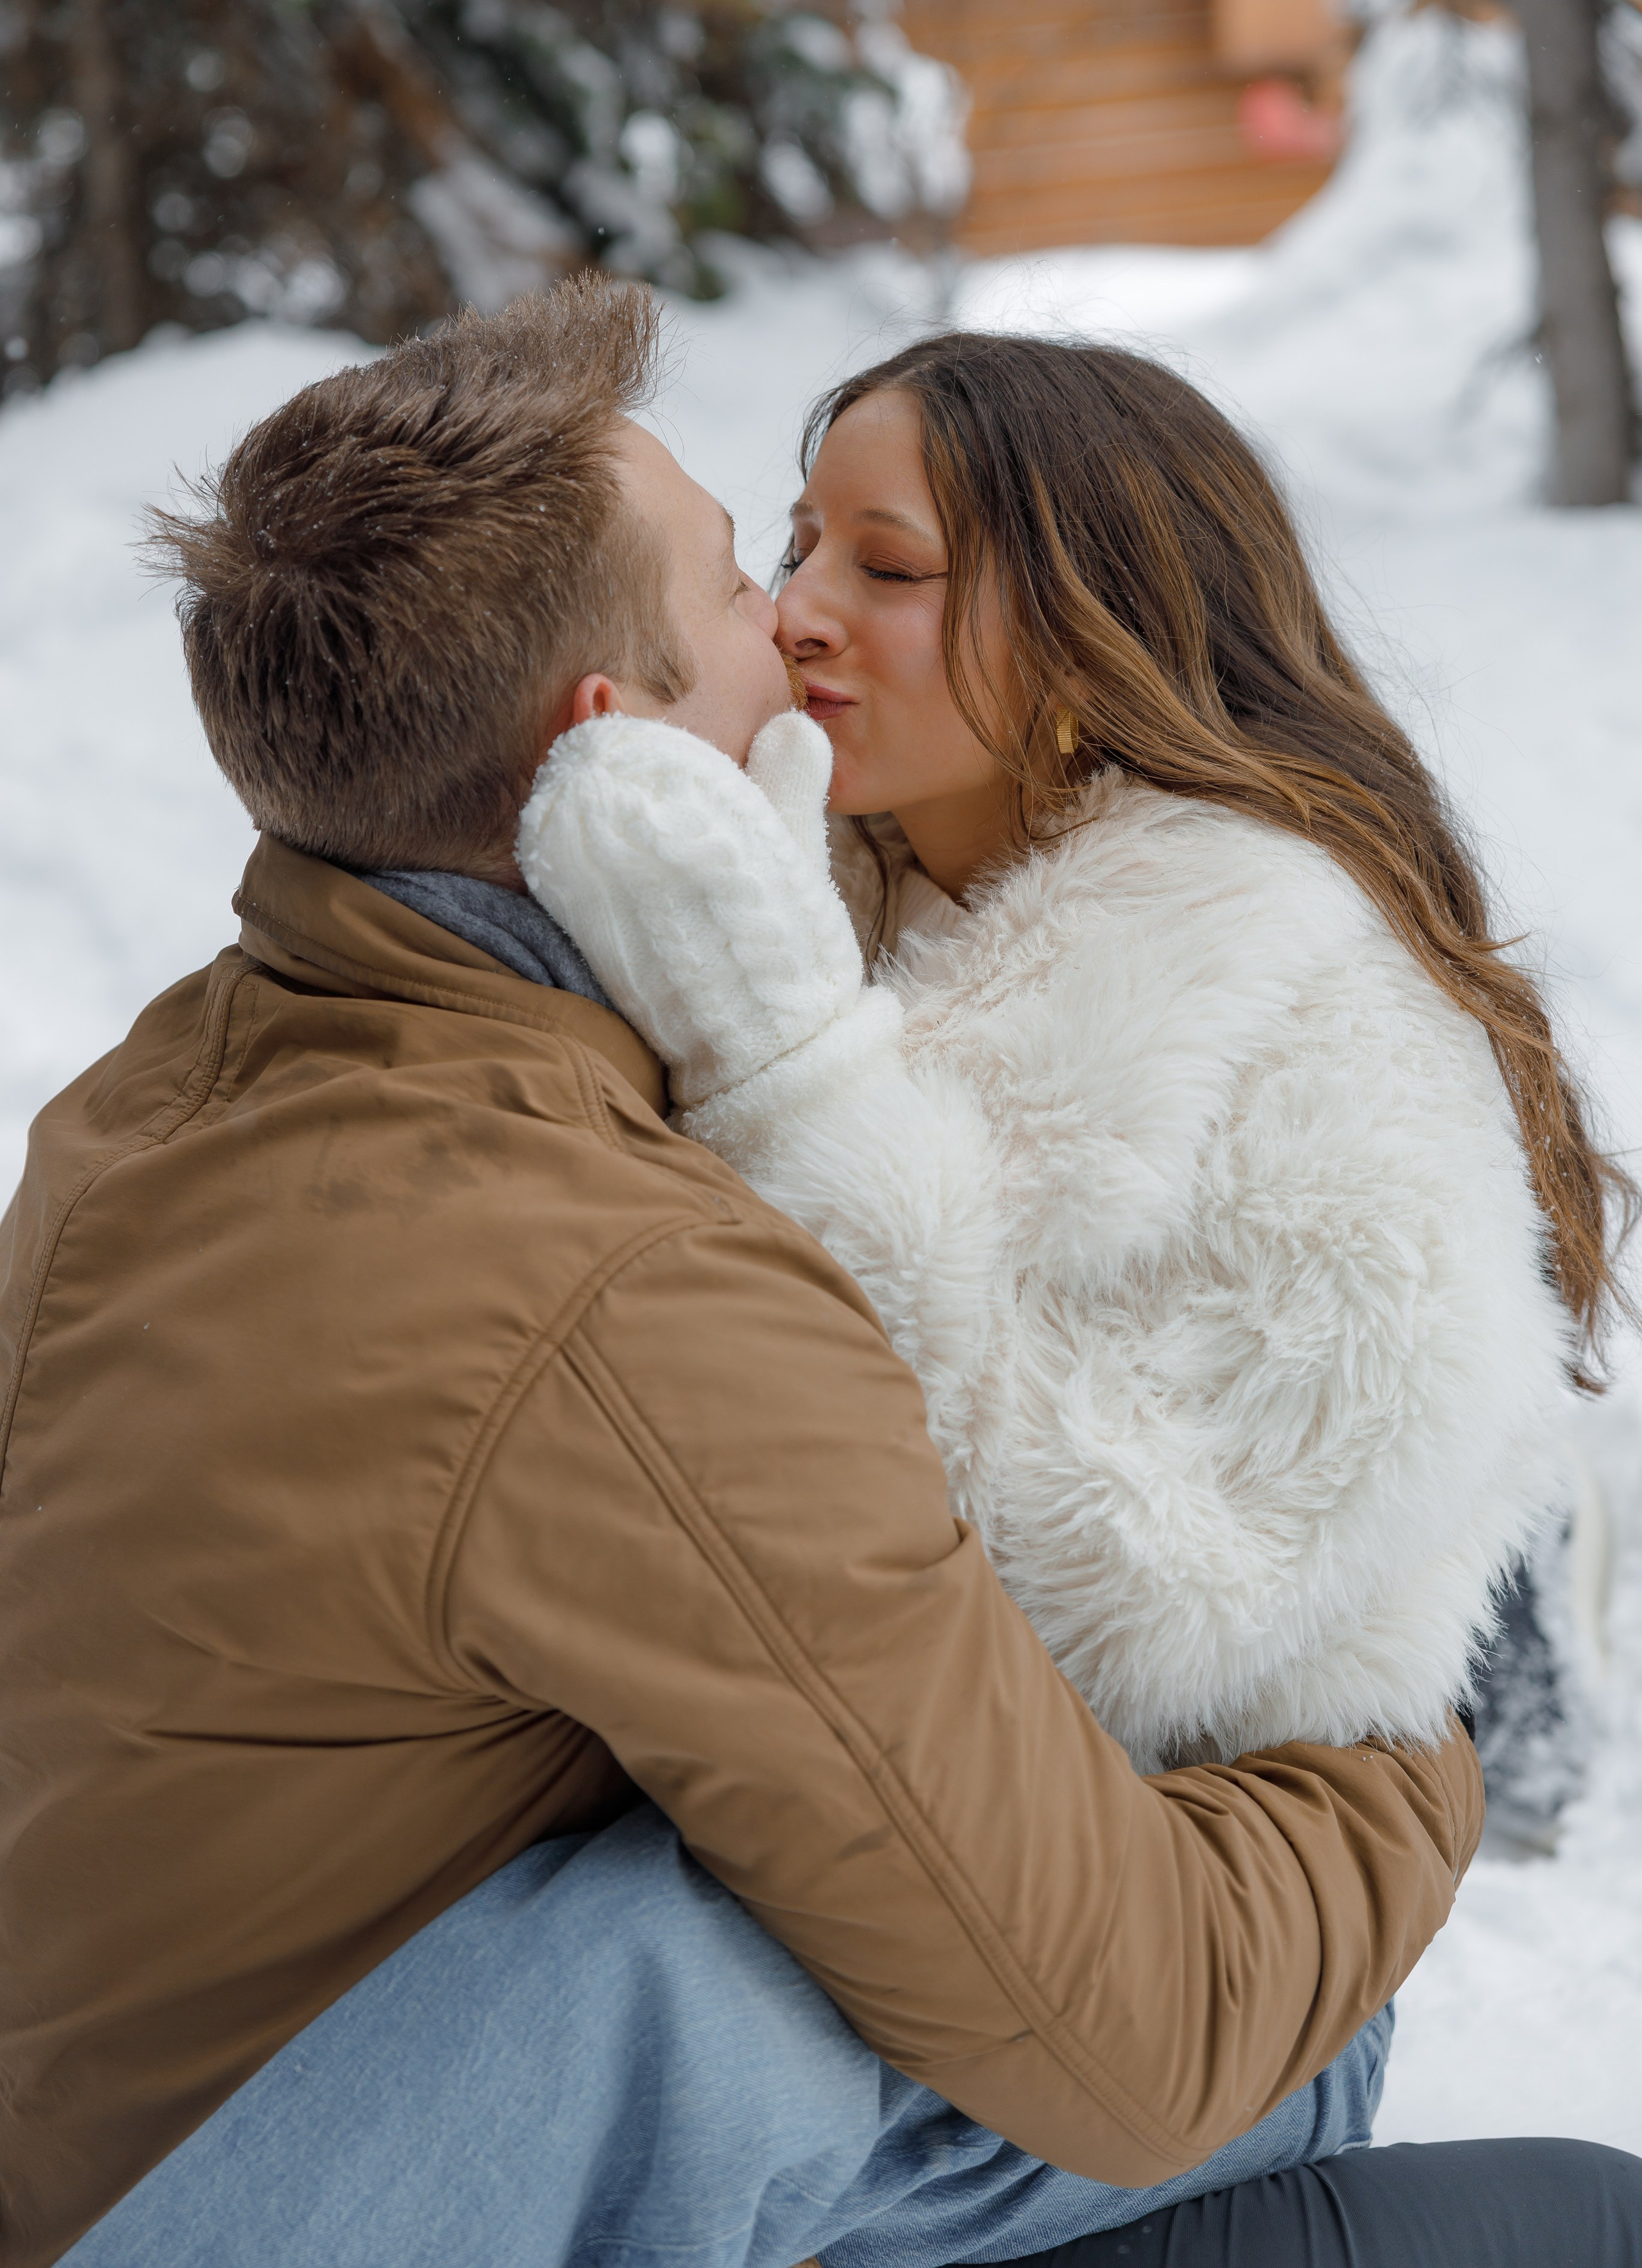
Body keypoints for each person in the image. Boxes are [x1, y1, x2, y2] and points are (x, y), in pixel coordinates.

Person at [0, 280, 1628, 2268]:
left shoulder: (154, 1097)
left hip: (159, 2078)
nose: (792, 617)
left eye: (876, 565)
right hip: (401, 2133)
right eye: (753, 565)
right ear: (620, 766)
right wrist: (1399, 1796)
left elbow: (1278, 1466)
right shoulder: (623, 1270)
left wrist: (1396, 1671)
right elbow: (1115, 2017)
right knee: (662, 1971)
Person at [523, 329, 1636, 1787]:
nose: (798, 613)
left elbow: (1141, 1604)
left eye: (890, 569)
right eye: (797, 550)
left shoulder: (1293, 996)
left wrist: (799, 1082)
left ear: (1084, 626)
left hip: (1177, 1862)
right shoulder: (817, 871)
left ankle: (1542, 1652)